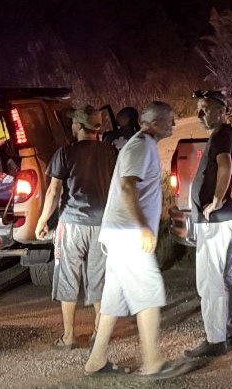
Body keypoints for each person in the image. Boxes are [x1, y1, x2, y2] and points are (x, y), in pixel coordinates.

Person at [86, 102, 180, 378]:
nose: (173, 125)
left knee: (113, 300)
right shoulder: (141, 145)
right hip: (128, 233)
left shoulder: (144, 144)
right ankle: (153, 362)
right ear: (154, 122)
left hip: (120, 233)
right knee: (149, 292)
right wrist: (143, 228)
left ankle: (97, 360)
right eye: (170, 120)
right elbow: (128, 185)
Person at [35, 108, 117, 348]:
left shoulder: (65, 153)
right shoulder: (111, 153)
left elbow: (53, 191)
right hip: (103, 225)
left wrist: (42, 221)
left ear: (80, 126)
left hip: (71, 223)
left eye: (73, 122)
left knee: (68, 278)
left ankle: (69, 337)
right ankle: (98, 335)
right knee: (99, 280)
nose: (71, 126)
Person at [185, 90, 232, 359]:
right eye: (199, 108)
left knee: (210, 281)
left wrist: (217, 200)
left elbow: (227, 166)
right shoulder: (229, 135)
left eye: (206, 108)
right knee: (226, 278)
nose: (200, 114)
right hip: (231, 218)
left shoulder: (222, 135)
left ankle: (215, 340)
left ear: (221, 110)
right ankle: (230, 334)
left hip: (217, 221)